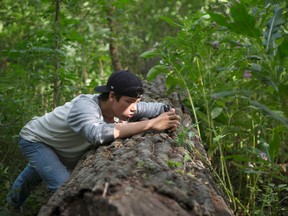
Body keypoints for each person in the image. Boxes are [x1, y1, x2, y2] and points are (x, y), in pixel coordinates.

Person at [6, 70, 180, 209]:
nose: (134, 107)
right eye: (129, 101)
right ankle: (10, 208)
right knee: (62, 186)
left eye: (136, 101)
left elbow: (152, 108)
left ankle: (10, 206)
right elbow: (97, 134)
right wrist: (151, 125)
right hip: (36, 140)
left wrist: (169, 112)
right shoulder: (85, 107)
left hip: (58, 146)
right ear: (112, 96)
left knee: (31, 177)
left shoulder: (125, 107)